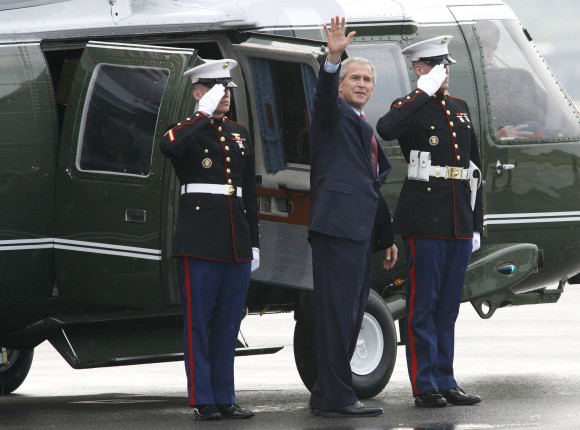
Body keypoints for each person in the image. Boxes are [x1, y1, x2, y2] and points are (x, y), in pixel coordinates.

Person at [376, 35, 483, 408]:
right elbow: (386, 129)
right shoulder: (408, 106)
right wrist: (421, 93)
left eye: (446, 65)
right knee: (424, 303)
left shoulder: (460, 107)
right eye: (436, 65)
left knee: (449, 306)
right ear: (419, 68)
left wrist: (476, 225)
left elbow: (474, 171)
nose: (445, 71)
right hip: (424, 219)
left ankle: (446, 379)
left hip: (457, 219)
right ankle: (425, 385)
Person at [308, 16, 398, 418]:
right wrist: (333, 58)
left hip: (359, 234)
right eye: (354, 78)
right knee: (337, 313)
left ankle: (326, 395)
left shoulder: (365, 127)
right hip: (338, 229)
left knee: (349, 312)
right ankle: (340, 396)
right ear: (342, 85)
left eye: (367, 80)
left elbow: (372, 188)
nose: (361, 84)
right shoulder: (333, 116)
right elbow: (323, 97)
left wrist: (387, 237)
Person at [160, 59, 259, 420]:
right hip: (200, 241)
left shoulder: (239, 132)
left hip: (236, 241)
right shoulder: (186, 130)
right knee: (199, 322)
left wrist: (255, 243)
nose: (226, 96)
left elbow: (249, 191)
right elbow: (168, 147)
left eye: (228, 89)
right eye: (217, 90)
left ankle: (225, 397)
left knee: (229, 323)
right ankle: (204, 398)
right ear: (199, 92)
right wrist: (200, 115)